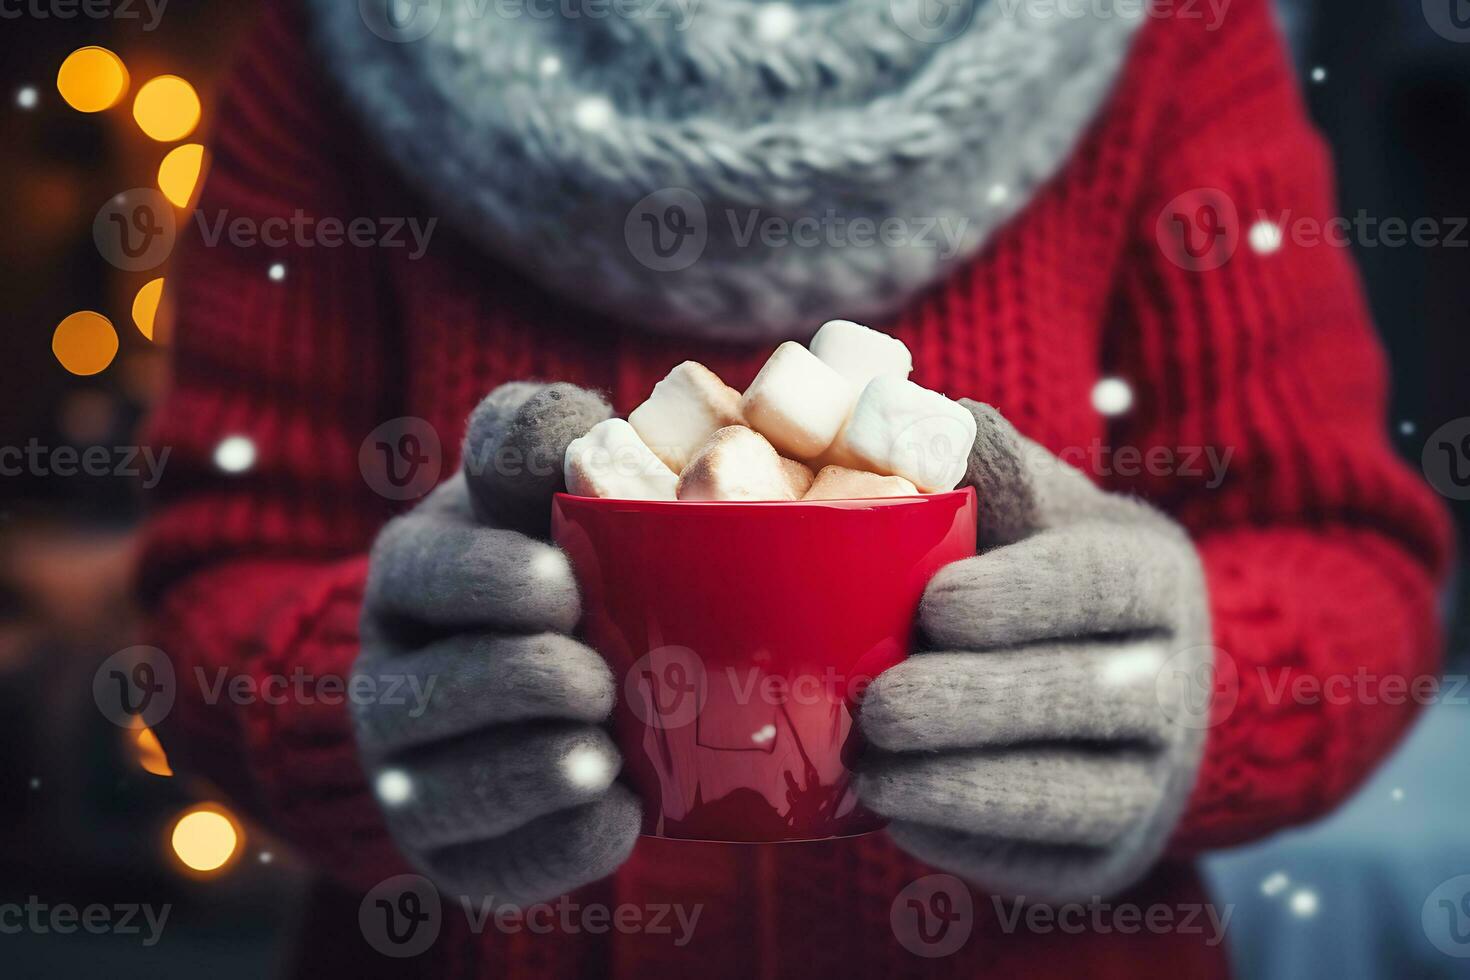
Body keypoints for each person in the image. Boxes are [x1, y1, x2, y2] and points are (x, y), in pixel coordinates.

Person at [140, 0, 1452, 975]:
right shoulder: (332, 44)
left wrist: (1183, 697)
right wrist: (361, 710)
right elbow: (204, 595)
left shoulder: (1168, 32)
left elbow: (1350, 560)